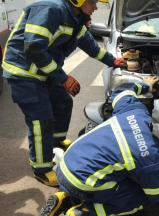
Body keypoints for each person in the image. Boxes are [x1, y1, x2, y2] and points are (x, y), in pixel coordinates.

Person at [38, 76, 159, 216]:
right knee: (143, 196)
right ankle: (86, 214)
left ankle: (66, 198)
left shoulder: (136, 112)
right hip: (81, 181)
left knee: (117, 168)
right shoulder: (154, 161)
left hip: (65, 164)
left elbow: (121, 90)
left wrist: (145, 86)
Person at [2, 0, 126, 187]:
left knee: (63, 102)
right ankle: (41, 168)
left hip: (44, 71)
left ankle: (55, 142)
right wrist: (63, 78)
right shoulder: (51, 10)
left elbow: (89, 45)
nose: (95, 7)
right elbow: (33, 48)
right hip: (24, 72)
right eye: (93, 2)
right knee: (41, 119)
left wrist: (112, 61)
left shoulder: (76, 18)